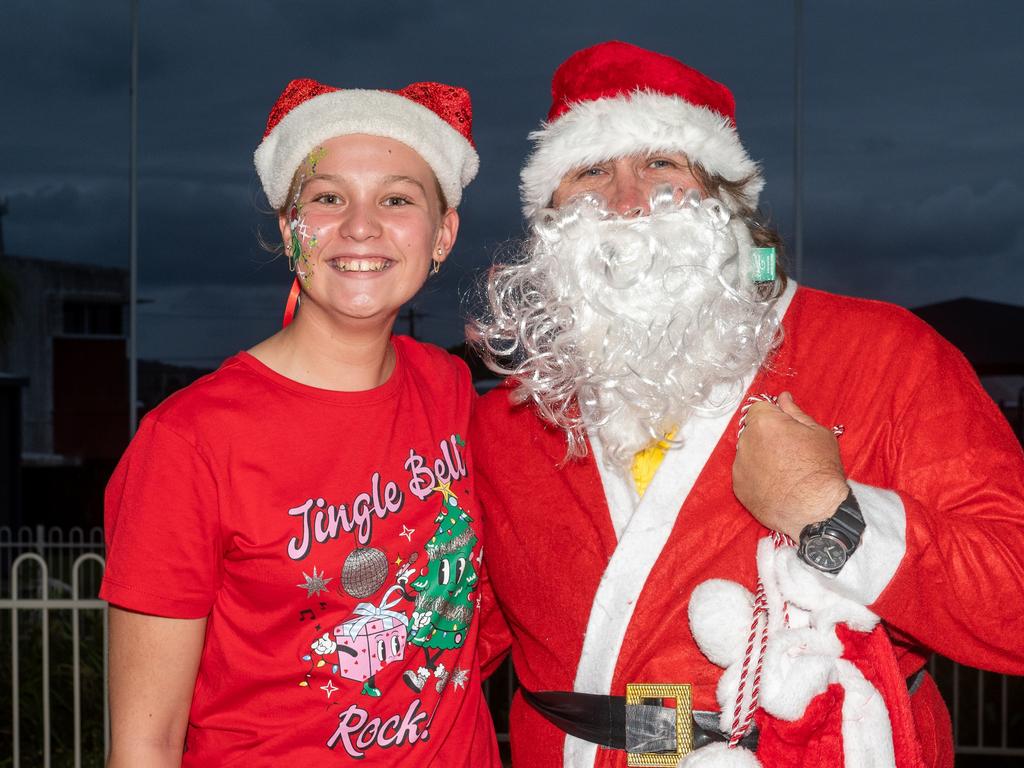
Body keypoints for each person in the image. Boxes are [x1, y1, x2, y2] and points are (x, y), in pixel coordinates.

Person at [469, 41, 1024, 768]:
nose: (629, 200)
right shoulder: (506, 419)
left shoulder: (884, 354)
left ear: (726, 198)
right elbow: (447, 644)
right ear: (550, 214)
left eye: (662, 163)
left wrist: (836, 518)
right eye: (593, 170)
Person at [101, 77, 504, 766]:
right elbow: (146, 741)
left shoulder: (451, 391)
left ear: (443, 234)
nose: (360, 226)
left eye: (397, 198)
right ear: (292, 231)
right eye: (327, 198)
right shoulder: (191, 440)